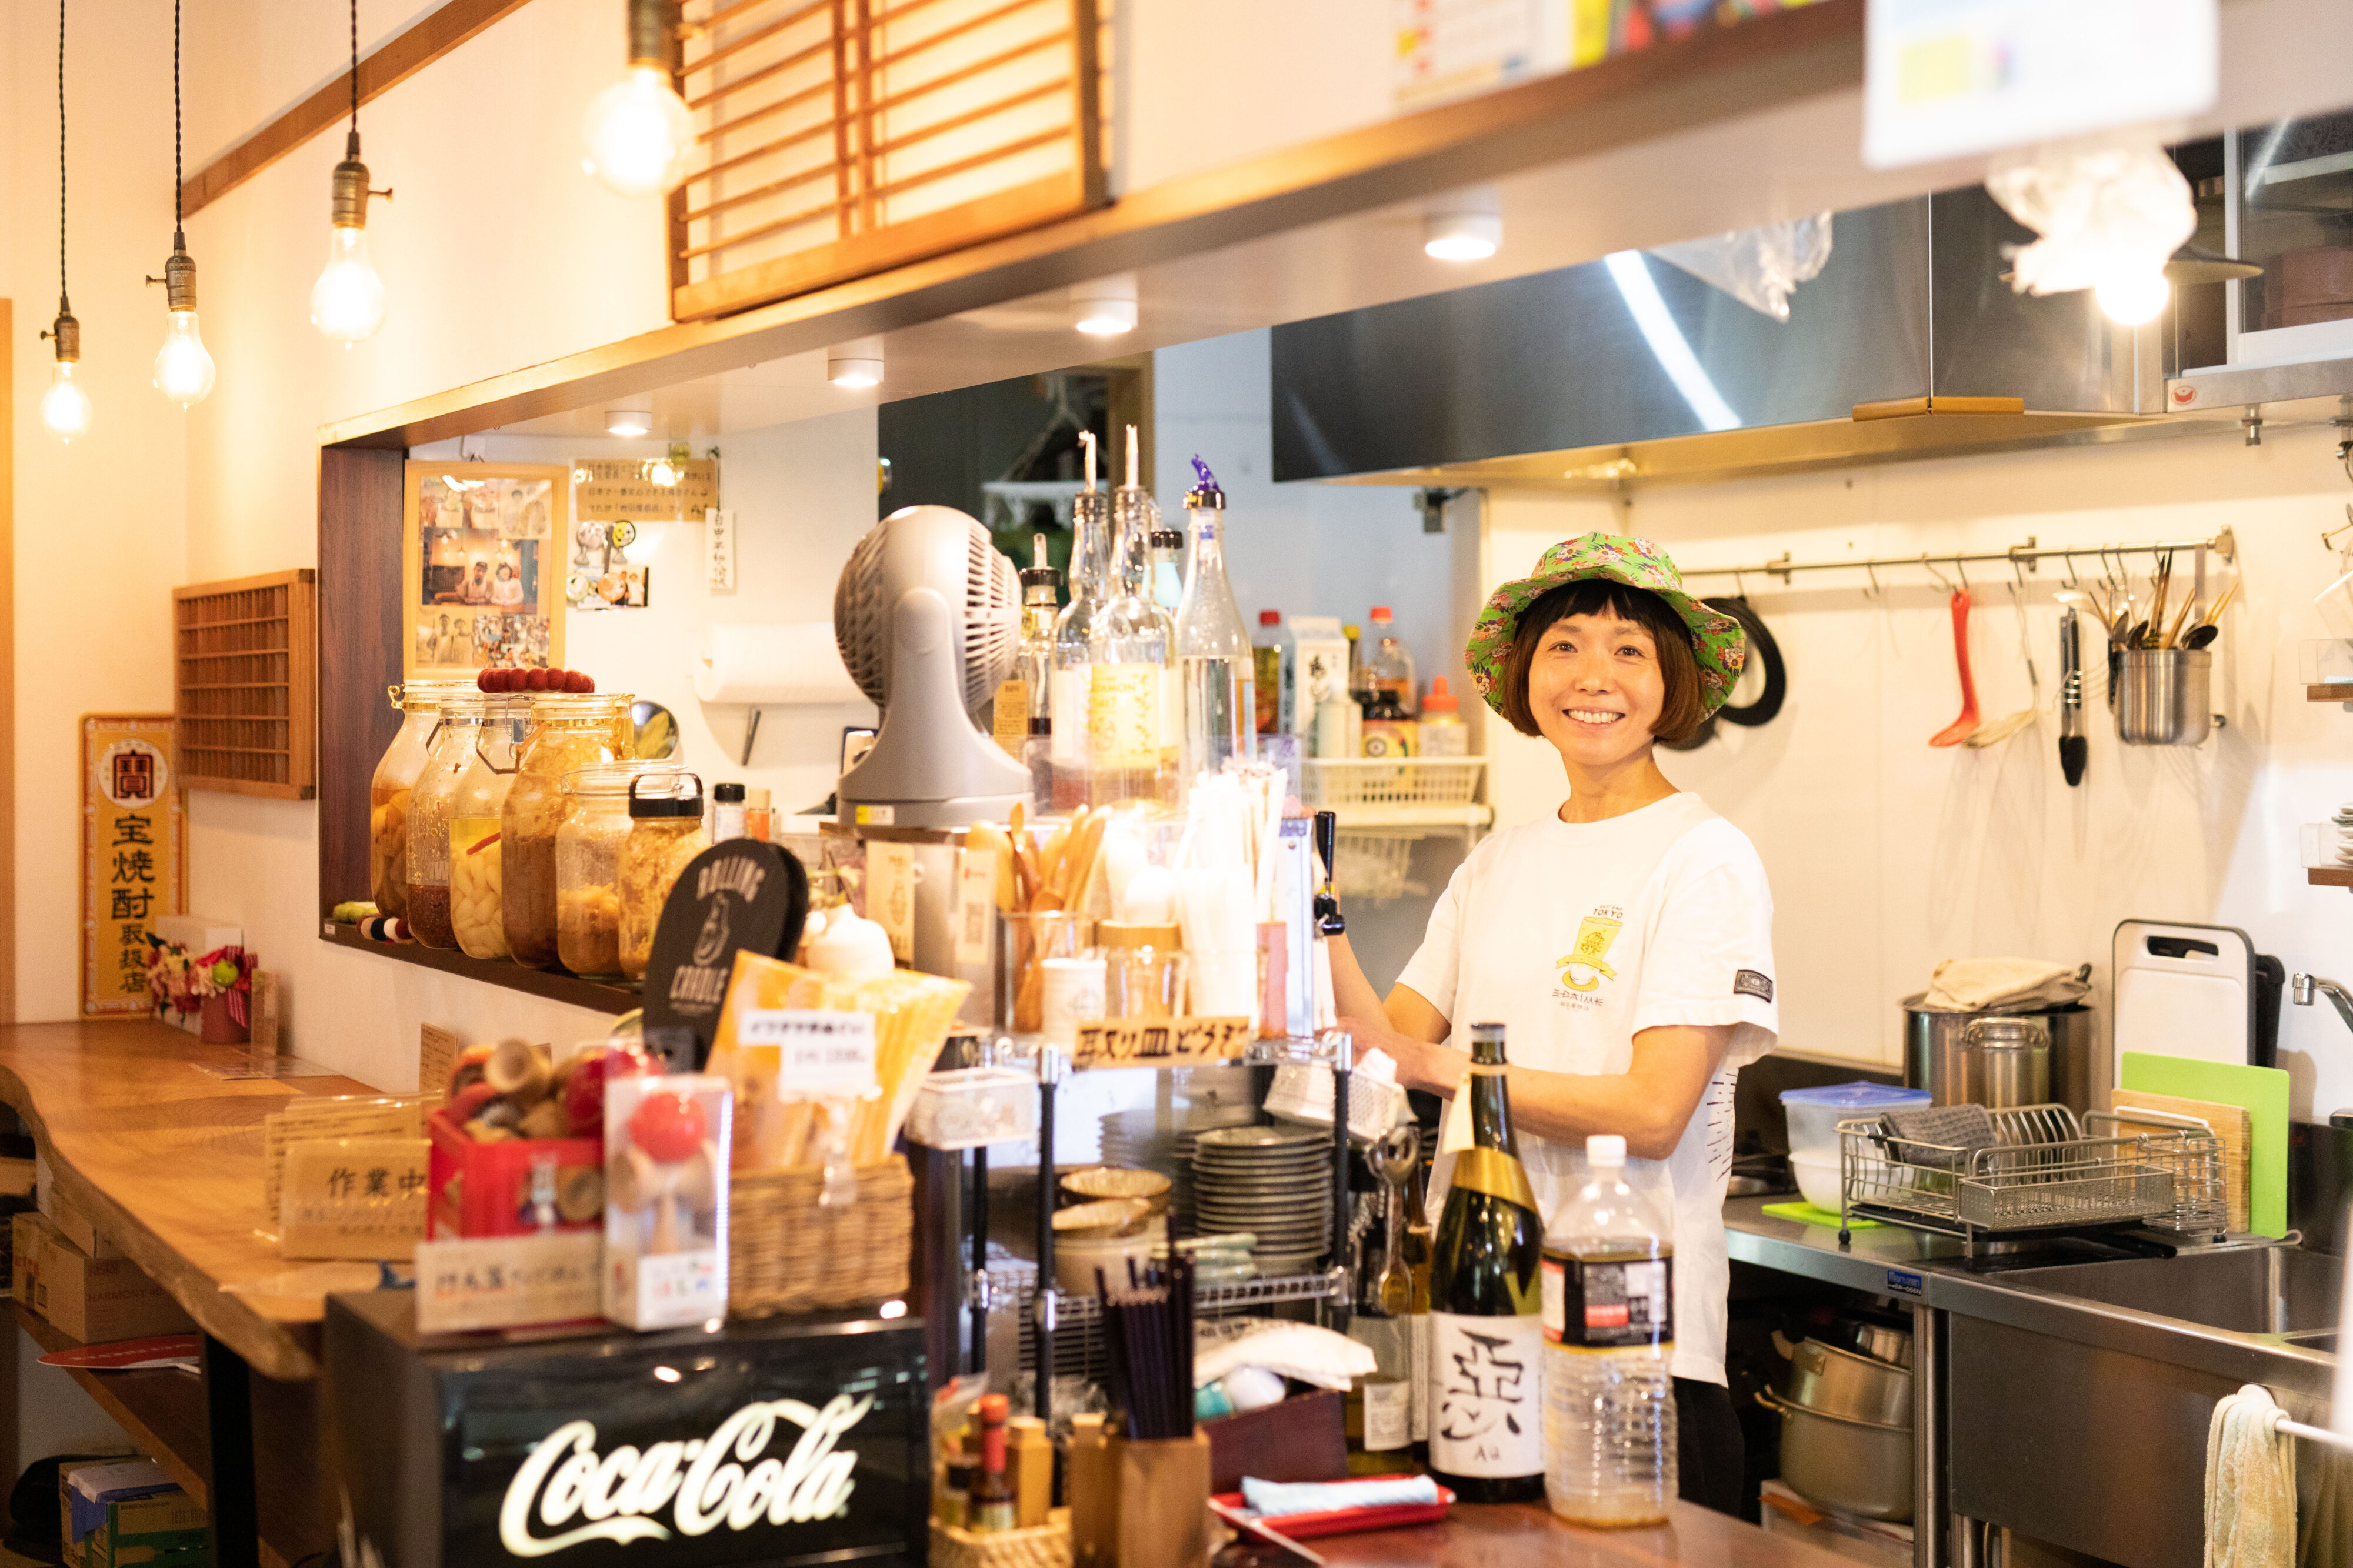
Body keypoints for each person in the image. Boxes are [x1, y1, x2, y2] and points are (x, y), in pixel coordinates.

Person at [1329, 532, 1777, 1517]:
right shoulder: (1496, 862)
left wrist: (1441, 1067)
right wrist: (1308, 896)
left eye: (1629, 650)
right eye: (1565, 646)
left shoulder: (1705, 858)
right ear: (1528, 675)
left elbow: (1652, 1111)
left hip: (1639, 1352)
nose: (1593, 677)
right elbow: (1381, 1053)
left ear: (1672, 682)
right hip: (1482, 1333)